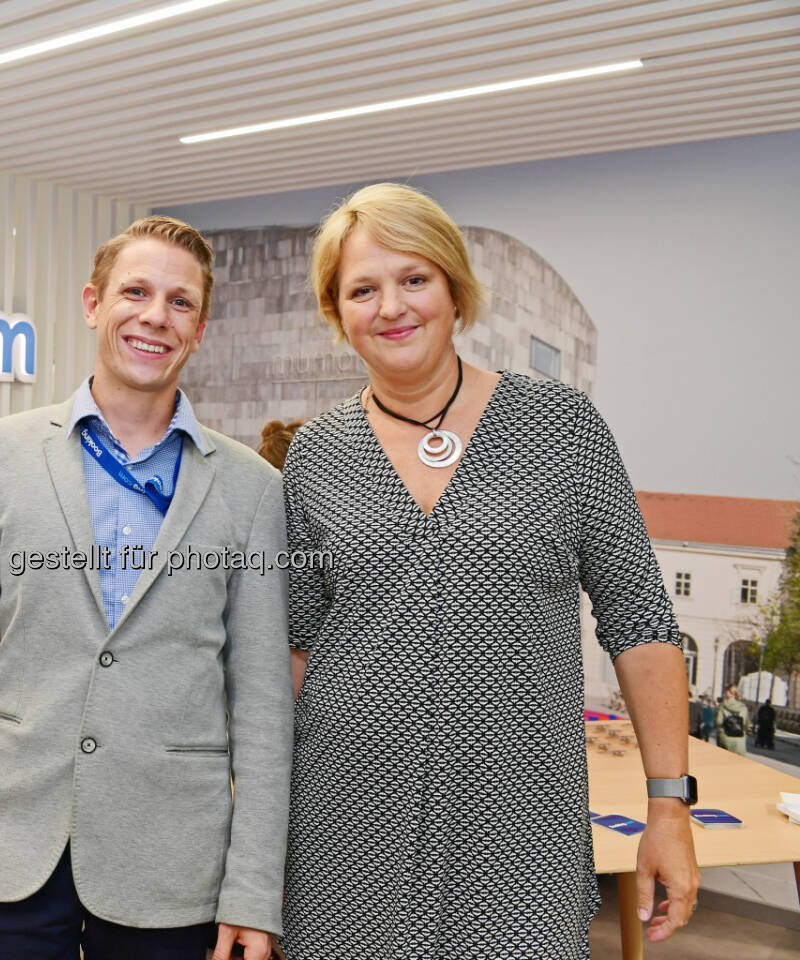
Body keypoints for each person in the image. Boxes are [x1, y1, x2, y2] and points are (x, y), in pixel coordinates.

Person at [282, 183, 699, 958]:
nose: (392, 306)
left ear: (454, 289)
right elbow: (298, 649)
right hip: (345, 831)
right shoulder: (316, 455)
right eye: (362, 290)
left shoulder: (563, 428)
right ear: (339, 316)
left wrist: (669, 808)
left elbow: (642, 626)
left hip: (518, 837)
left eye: (415, 279)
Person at [0, 216, 293, 960]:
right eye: (135, 292)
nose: (154, 317)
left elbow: (263, 710)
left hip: (170, 862)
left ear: (199, 329)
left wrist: (254, 893)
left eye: (179, 303)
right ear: (93, 302)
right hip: (0, 842)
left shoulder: (253, 491)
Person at [718, 686, 750, 755]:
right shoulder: (743, 707)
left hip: (725, 737)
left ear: (728, 693)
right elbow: (747, 724)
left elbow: (718, 721)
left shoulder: (723, 706)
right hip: (739, 739)